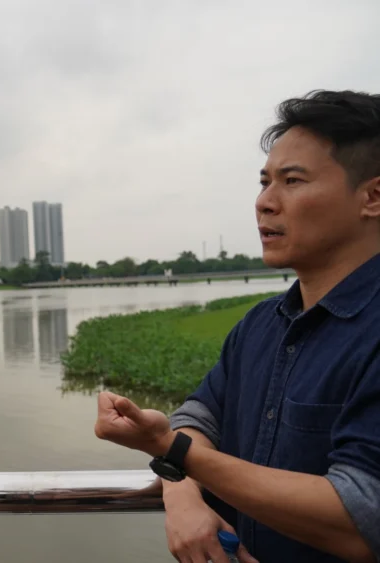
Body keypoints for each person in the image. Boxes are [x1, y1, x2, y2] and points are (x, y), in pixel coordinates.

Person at [93, 89, 380, 563]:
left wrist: (172, 451)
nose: (264, 202)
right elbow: (198, 418)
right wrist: (182, 494)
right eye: (264, 182)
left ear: (372, 197)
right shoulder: (260, 325)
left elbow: (361, 519)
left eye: (292, 181)